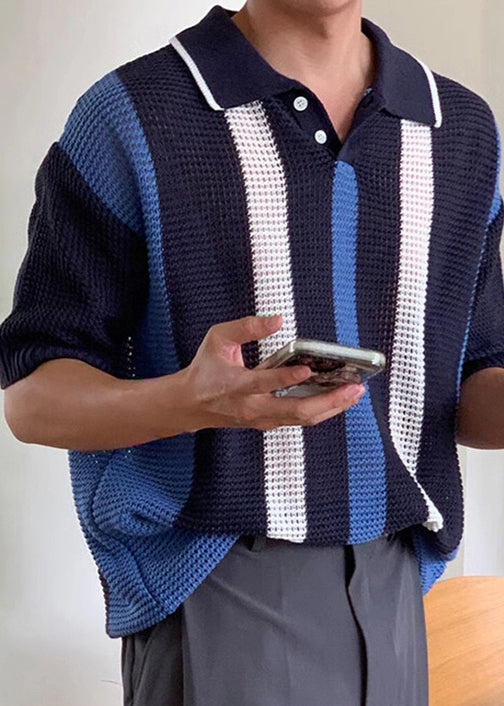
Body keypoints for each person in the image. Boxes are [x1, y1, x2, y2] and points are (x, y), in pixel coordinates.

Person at [1, 1, 504, 704]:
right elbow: (31, 399)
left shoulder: (463, 132)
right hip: (217, 584)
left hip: (397, 588)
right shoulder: (134, 115)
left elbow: (471, 380)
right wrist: (190, 400)